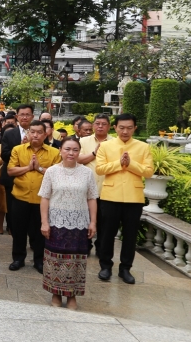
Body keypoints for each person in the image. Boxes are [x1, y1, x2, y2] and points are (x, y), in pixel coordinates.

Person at [40, 137, 98, 309]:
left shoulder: (86, 173)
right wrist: (44, 222)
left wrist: (93, 222)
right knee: (55, 260)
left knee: (77, 261)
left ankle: (72, 295)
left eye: (75, 150)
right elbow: (44, 198)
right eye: (67, 149)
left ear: (79, 152)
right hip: (56, 223)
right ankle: (56, 293)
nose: (71, 153)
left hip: (79, 224)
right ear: (60, 151)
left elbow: (92, 198)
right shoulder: (51, 171)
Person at [95, 113, 153, 284]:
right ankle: (105, 266)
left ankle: (125, 268)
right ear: (115, 128)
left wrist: (131, 164)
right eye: (121, 127)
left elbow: (148, 171)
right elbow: (100, 169)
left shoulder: (143, 147)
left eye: (129, 128)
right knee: (107, 233)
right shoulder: (105, 146)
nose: (125, 131)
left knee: (130, 235)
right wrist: (120, 163)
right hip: (110, 196)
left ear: (135, 128)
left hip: (134, 198)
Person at [7, 120, 61, 273]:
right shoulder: (18, 149)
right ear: (28, 133)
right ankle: (18, 258)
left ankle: (39, 260)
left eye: (39, 132)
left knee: (39, 233)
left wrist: (39, 168)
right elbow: (11, 171)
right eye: (32, 132)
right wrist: (29, 167)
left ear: (45, 134)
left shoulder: (54, 153)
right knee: (18, 231)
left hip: (41, 200)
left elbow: (56, 175)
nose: (35, 135)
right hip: (20, 197)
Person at [0, 104, 34, 235]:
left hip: (33, 176)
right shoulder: (9, 134)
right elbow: (4, 155)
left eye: (27, 114)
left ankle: (32, 236)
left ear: (32, 116)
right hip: (12, 177)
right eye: (22, 115)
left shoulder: (38, 133)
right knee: (13, 209)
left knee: (32, 210)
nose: (25, 117)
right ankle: (15, 233)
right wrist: (20, 148)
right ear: (17, 117)